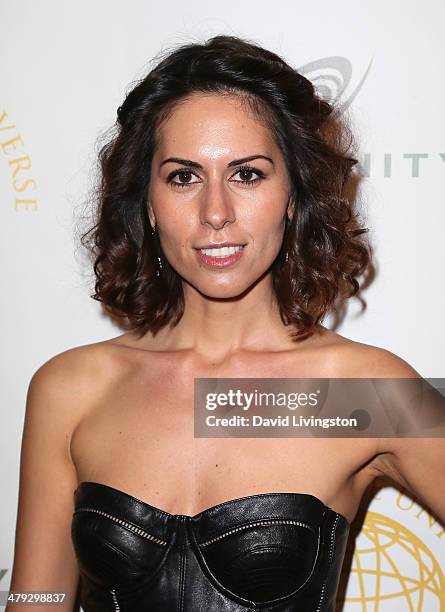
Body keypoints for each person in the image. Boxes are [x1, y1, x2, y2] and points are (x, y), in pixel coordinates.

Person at [7, 35, 445, 612]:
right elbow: (37, 598)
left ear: (293, 194)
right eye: (184, 177)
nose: (216, 213)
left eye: (248, 175)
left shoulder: (362, 392)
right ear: (147, 202)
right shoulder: (72, 389)